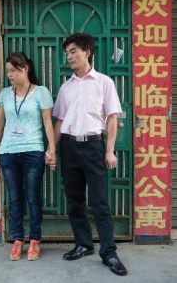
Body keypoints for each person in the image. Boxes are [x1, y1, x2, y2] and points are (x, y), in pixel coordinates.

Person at [52, 33, 127, 276]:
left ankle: (109, 253)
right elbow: (60, 120)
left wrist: (109, 150)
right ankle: (83, 244)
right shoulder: (66, 87)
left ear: (87, 52)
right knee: (74, 200)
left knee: (100, 202)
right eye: (67, 53)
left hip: (94, 147)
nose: (69, 56)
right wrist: (52, 149)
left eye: (73, 51)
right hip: (70, 148)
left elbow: (112, 118)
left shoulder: (104, 82)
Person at [0, 52, 56, 261]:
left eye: (14, 70)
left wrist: (51, 149)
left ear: (25, 69)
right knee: (15, 198)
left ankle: (35, 240)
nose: (10, 74)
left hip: (33, 150)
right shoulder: (4, 94)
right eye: (8, 71)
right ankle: (18, 240)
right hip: (9, 151)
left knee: (33, 197)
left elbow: (48, 122)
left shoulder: (41, 92)